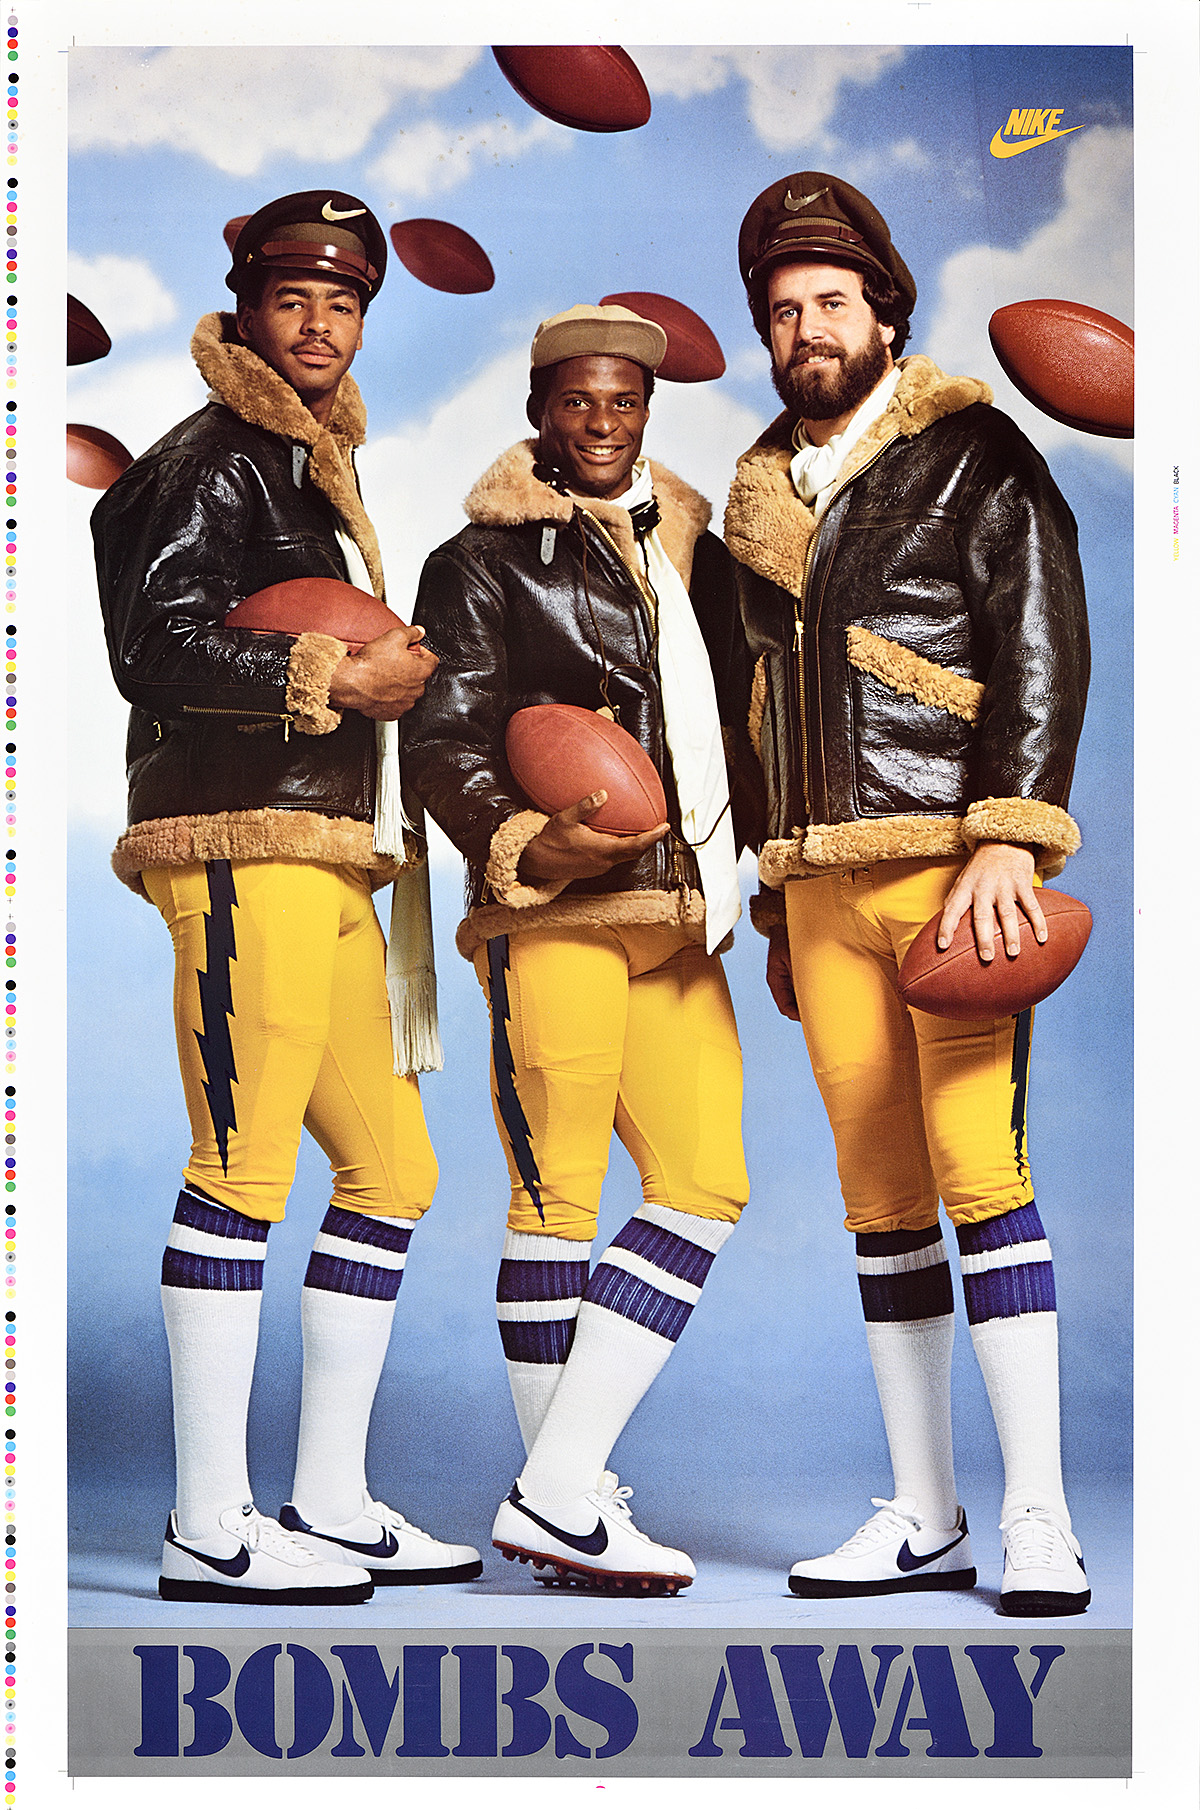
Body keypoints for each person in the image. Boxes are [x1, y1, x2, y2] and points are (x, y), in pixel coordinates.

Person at [91, 190, 480, 1603]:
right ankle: (208, 1521)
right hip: (237, 840)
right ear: (248, 305)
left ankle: (327, 1499)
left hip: (326, 855)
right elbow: (155, 644)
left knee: (395, 1171)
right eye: (293, 300)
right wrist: (331, 678)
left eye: (347, 302)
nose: (320, 325)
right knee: (243, 1169)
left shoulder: (304, 462)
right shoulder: (209, 458)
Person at [725, 174, 1091, 1616]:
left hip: (953, 873)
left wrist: (1012, 836)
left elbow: (1044, 639)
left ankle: (1041, 1518)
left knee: (980, 1176)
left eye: (829, 302)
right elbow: (756, 711)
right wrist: (769, 909)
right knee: (879, 1198)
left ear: (885, 310)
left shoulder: (976, 450)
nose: (805, 329)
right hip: (819, 892)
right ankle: (924, 1508)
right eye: (781, 312)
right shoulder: (758, 490)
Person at [403, 304, 761, 1592]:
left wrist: (750, 886)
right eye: (578, 403)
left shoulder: (689, 547)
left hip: (680, 915)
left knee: (704, 1180)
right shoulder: (480, 560)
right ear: (538, 408)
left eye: (625, 405)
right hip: (551, 919)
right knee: (557, 1197)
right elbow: (441, 739)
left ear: (646, 411)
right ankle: (564, 1506)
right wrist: (517, 840)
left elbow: (735, 726)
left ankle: (553, 1488)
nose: (602, 426)